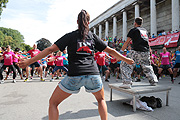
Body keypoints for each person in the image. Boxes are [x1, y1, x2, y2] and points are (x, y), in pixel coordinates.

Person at [18, 10, 134, 120]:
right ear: (88, 22)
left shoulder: (70, 36)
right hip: (93, 75)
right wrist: (126, 60)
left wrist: (28, 61)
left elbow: (49, 50)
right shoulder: (92, 36)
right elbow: (111, 51)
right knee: (101, 100)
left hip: (75, 75)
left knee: (53, 103)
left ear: (77, 22)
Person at [120, 17, 158, 89]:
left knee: (125, 64)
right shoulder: (145, 31)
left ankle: (127, 82)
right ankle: (153, 80)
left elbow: (127, 42)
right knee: (147, 66)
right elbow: (147, 42)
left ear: (135, 23)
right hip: (145, 51)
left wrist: (121, 51)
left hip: (136, 51)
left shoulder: (133, 30)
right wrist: (150, 53)